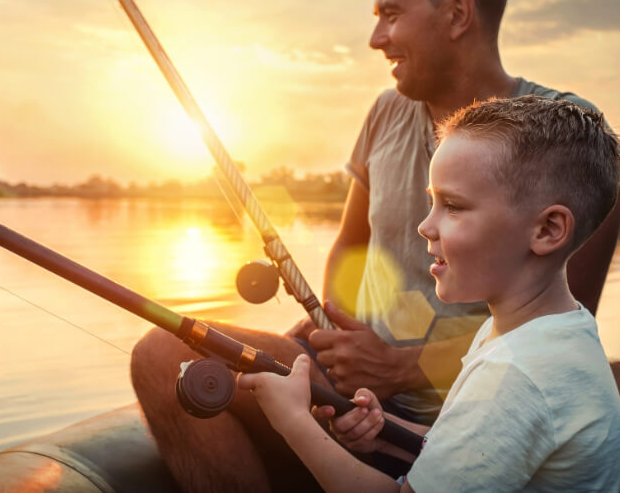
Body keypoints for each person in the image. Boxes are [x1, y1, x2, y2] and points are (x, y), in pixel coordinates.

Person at [130, 0, 620, 490]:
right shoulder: (386, 111)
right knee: (162, 353)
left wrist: (398, 366)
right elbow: (348, 245)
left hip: (443, 398)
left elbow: (562, 305)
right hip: (370, 397)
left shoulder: (569, 141)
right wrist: (330, 330)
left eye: (391, 14)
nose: (376, 38)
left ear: (458, 14)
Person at [239, 95, 620, 492]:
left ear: (547, 230)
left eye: (453, 206)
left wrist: (294, 421)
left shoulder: (516, 374)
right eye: (431, 202)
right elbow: (475, 443)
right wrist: (387, 429)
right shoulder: (554, 331)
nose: (425, 226)